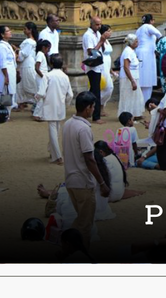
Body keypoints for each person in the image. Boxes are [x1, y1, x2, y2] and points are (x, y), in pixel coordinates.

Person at [63, 91, 111, 249]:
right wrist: (102, 182)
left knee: (81, 221)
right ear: (87, 108)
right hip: (83, 181)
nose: (93, 110)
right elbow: (90, 159)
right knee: (85, 225)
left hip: (71, 180)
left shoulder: (69, 124)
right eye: (93, 107)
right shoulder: (83, 129)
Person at [35, 53, 73, 165]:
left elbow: (41, 92)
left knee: (53, 128)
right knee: (56, 128)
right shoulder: (65, 76)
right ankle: (52, 151)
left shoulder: (47, 76)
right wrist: (66, 104)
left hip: (49, 104)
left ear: (51, 63)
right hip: (60, 105)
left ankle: (57, 156)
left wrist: (37, 96)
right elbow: (70, 94)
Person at [134, 14, 162, 102]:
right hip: (146, 54)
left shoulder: (139, 29)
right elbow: (159, 34)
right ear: (151, 21)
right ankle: (145, 101)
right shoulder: (148, 26)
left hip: (143, 53)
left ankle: (142, 100)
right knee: (146, 76)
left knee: (143, 76)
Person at [116, 34, 142, 118]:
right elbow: (126, 67)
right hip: (128, 78)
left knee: (133, 96)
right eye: (136, 41)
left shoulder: (131, 51)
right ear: (131, 43)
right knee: (128, 97)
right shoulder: (127, 52)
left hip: (133, 77)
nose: (137, 43)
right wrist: (132, 81)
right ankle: (126, 116)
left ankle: (134, 114)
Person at [15, 22, 39, 111]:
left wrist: (17, 52)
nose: (24, 30)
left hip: (27, 65)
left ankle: (38, 103)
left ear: (30, 30)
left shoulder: (29, 42)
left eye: (25, 29)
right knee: (21, 85)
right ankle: (21, 103)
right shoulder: (30, 41)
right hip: (25, 65)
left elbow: (23, 54)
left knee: (30, 84)